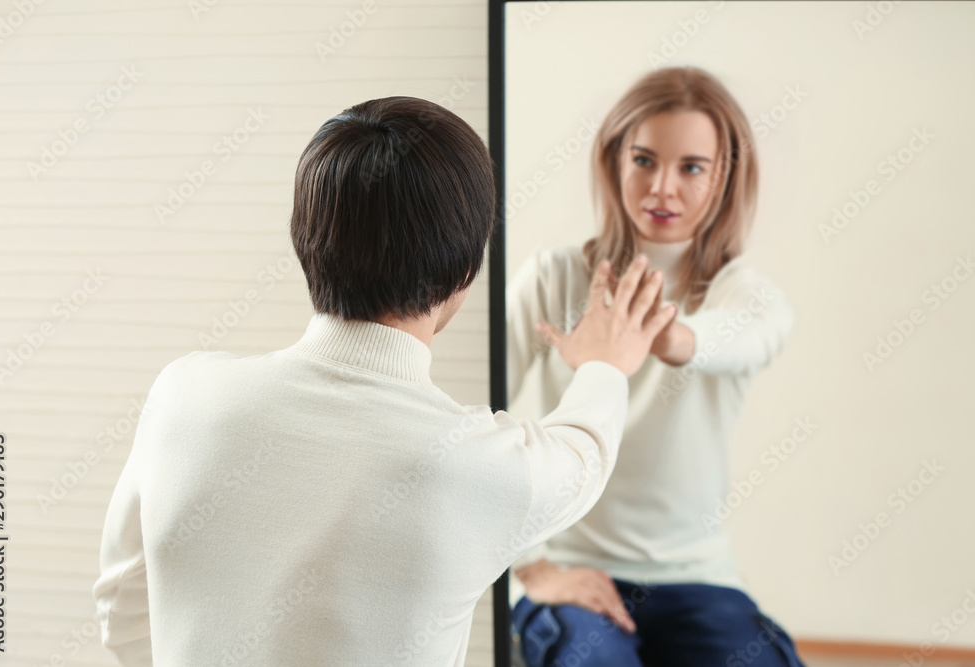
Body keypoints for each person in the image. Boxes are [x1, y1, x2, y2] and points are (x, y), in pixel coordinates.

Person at [91, 95, 678, 666]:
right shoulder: (477, 466)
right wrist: (605, 363)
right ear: (468, 265)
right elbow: (585, 454)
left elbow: (121, 600)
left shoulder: (183, 393)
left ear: (303, 239)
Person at [507, 67, 805, 666]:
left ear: (725, 177)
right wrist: (530, 569)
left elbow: (751, 337)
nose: (661, 188)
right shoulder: (553, 276)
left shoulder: (740, 294)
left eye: (691, 167)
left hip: (698, 579)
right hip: (574, 570)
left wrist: (672, 336)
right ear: (614, 160)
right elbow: (473, 416)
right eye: (644, 160)